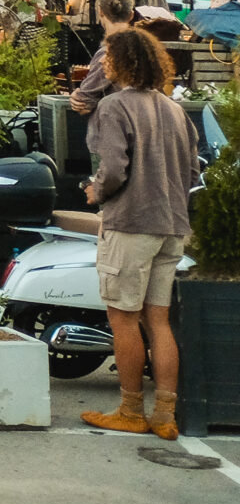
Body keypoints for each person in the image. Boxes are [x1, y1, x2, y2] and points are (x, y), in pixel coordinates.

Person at [79, 26, 200, 439]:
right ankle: (165, 414)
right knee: (158, 320)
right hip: (172, 225)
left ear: (119, 62)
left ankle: (131, 410)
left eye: (108, 57)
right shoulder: (175, 110)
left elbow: (113, 168)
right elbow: (192, 172)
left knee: (123, 319)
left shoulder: (113, 107)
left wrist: (97, 190)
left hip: (131, 224)